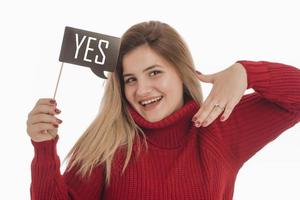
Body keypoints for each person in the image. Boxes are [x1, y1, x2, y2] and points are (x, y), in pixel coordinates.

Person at [27, 20, 300, 200]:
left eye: (154, 72)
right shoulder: (106, 145)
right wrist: (43, 148)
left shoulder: (219, 129)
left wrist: (246, 73)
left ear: (182, 74)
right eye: (130, 79)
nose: (142, 90)